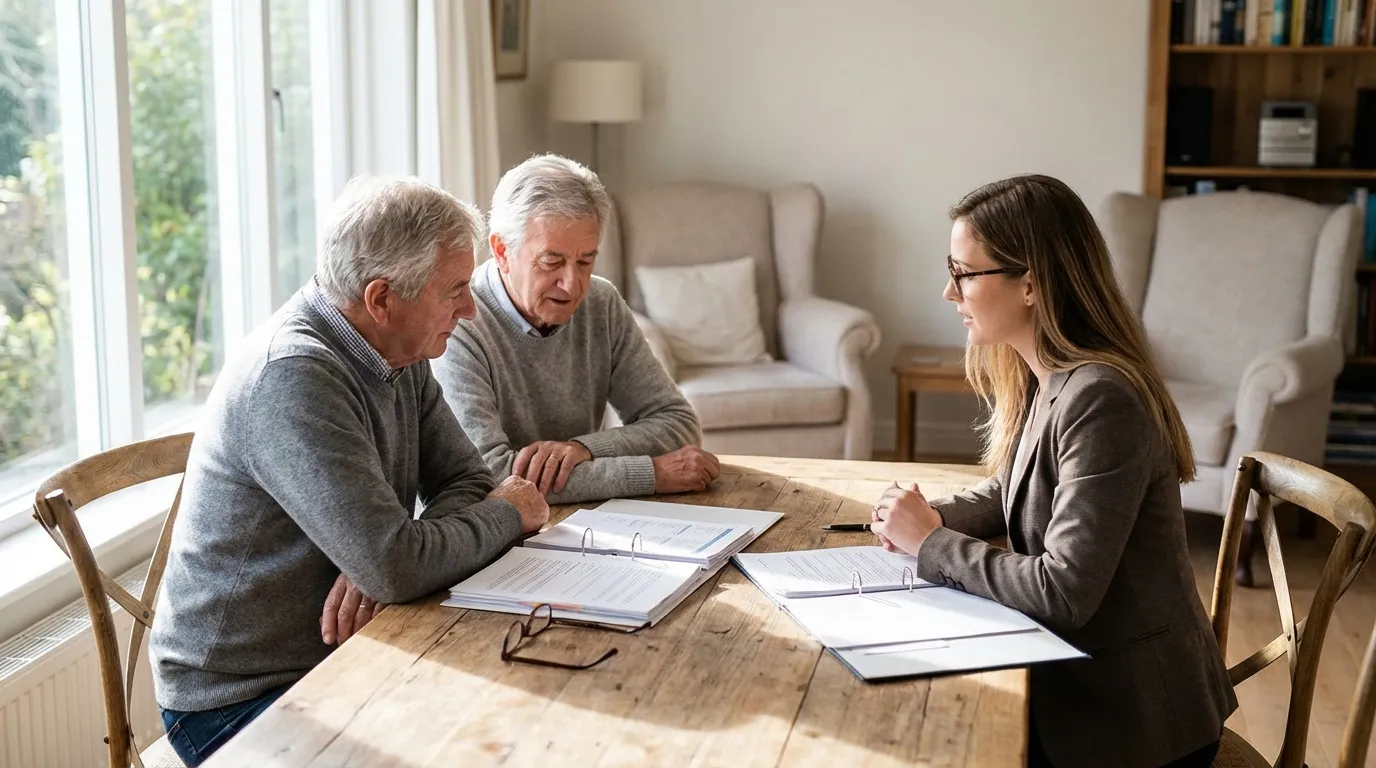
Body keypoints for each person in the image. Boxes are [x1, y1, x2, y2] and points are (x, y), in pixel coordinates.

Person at [149, 176, 549, 767]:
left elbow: (465, 481)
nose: (469, 310)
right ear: (382, 298)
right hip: (238, 699)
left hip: (350, 652)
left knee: (524, 724)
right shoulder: (293, 377)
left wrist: (387, 558)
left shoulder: (399, 349)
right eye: (455, 291)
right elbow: (420, 547)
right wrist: (506, 513)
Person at [869, 175, 1236, 768]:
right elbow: (1011, 490)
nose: (948, 291)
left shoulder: (1102, 397)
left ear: (1031, 284)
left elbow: (1064, 592)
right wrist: (929, 516)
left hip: (1133, 722)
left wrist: (931, 542)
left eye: (964, 273)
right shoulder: (1045, 376)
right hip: (1079, 681)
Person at [432, 154, 719, 504]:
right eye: (551, 261)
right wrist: (649, 473)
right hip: (488, 534)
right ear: (502, 250)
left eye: (585, 261)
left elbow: (679, 424)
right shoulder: (460, 321)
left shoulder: (600, 301)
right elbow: (490, 475)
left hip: (584, 521)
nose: (572, 285)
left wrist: (585, 449)